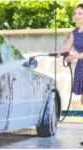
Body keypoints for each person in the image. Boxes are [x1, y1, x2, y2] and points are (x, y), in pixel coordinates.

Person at [55, 3, 83, 145]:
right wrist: (59, 53)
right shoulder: (74, 32)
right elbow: (67, 47)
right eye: (75, 13)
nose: (77, 16)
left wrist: (74, 57)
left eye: (80, 13)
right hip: (81, 68)